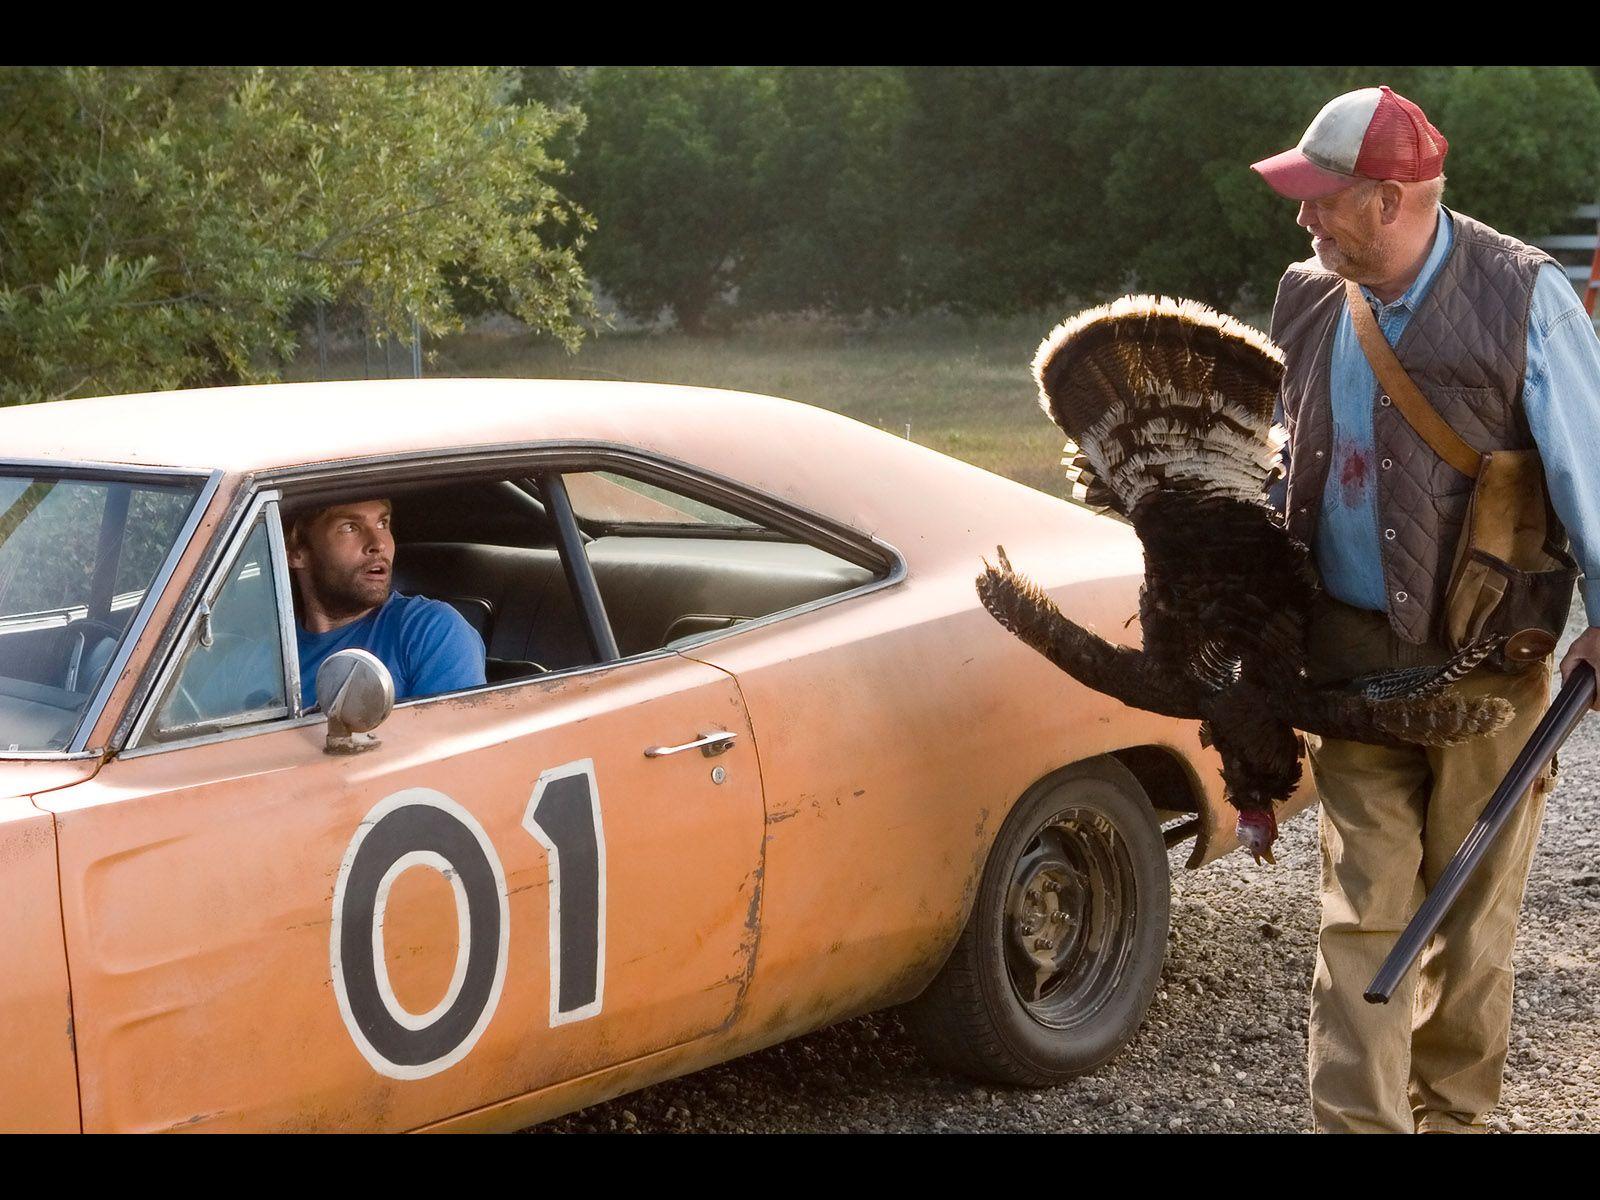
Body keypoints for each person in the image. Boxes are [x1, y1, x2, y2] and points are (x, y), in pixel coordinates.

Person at [1252, 84, 1600, 1133]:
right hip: (1349, 661)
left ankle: (1453, 1119)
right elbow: (1284, 466)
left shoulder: (1523, 296)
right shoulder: (1307, 295)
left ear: (1392, 198)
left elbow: (1591, 469)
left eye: (1323, 200)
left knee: (1470, 924)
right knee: (1361, 919)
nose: (1304, 219)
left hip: (1490, 666)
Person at [284, 497, 486, 707]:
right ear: (296, 552)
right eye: (350, 527)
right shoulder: (266, 647)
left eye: (382, 523)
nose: (378, 544)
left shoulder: (430, 629)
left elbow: (452, 736)